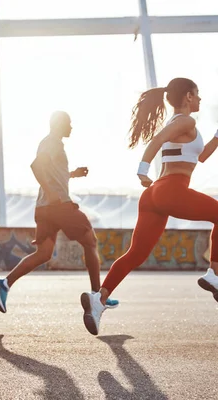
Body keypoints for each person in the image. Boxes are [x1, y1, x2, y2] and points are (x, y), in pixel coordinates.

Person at [81, 78, 218, 336]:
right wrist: (142, 169)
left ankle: (98, 301)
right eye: (197, 94)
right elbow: (156, 140)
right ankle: (214, 273)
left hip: (154, 196)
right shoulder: (185, 121)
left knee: (136, 254)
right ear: (188, 96)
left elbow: (200, 156)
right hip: (171, 189)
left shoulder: (179, 124)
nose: (200, 100)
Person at [0, 111, 118, 314]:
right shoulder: (52, 142)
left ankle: (4, 283)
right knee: (90, 242)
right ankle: (97, 296)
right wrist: (51, 193)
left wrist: (72, 175)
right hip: (58, 205)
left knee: (43, 253)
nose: (71, 127)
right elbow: (36, 166)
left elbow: (51, 172)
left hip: (45, 208)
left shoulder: (52, 144)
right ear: (59, 124)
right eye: (69, 123)